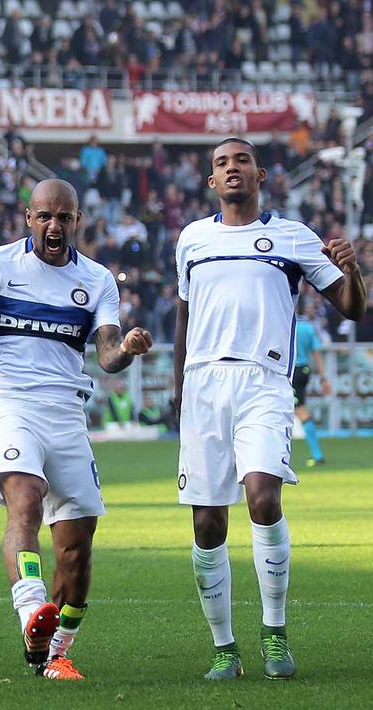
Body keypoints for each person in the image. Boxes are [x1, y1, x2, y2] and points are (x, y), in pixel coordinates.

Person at [0, 179, 153, 681]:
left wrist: (129, 350)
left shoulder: (97, 279)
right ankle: (31, 609)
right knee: (26, 502)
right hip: (10, 401)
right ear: (28, 217)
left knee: (77, 550)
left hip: (67, 412)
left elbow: (107, 353)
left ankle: (55, 651)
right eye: (45, 217)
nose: (54, 226)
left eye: (65, 218)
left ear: (77, 221)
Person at [172, 138, 365, 681]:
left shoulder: (293, 237)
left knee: (262, 496)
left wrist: (352, 270)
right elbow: (184, 316)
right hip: (203, 384)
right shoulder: (192, 239)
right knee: (208, 523)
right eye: (220, 163)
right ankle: (224, 647)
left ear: (259, 174)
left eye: (240, 160)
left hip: (264, 380)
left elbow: (350, 309)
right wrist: (178, 388)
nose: (231, 168)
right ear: (211, 180)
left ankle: (275, 634)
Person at [292, 315, 329, 466]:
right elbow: (317, 353)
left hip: (290, 372)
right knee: (296, 409)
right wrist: (323, 378)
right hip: (304, 370)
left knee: (300, 410)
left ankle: (318, 454)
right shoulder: (308, 327)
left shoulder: (284, 322)